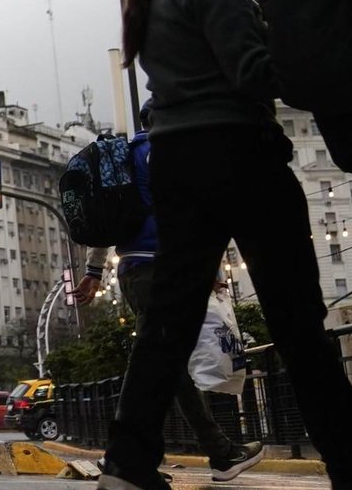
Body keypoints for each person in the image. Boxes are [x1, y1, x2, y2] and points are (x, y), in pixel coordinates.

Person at [96, 0, 352, 490]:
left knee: (171, 320)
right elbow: (252, 74)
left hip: (178, 160)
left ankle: (128, 463)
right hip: (240, 153)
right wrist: (312, 59)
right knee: (297, 320)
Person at [72, 118, 261, 482]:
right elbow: (201, 215)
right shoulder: (176, 152)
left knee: (158, 361)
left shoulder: (123, 157)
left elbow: (109, 216)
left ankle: (136, 457)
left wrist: (95, 272)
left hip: (131, 271)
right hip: (165, 269)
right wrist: (213, 272)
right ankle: (209, 454)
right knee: (161, 365)